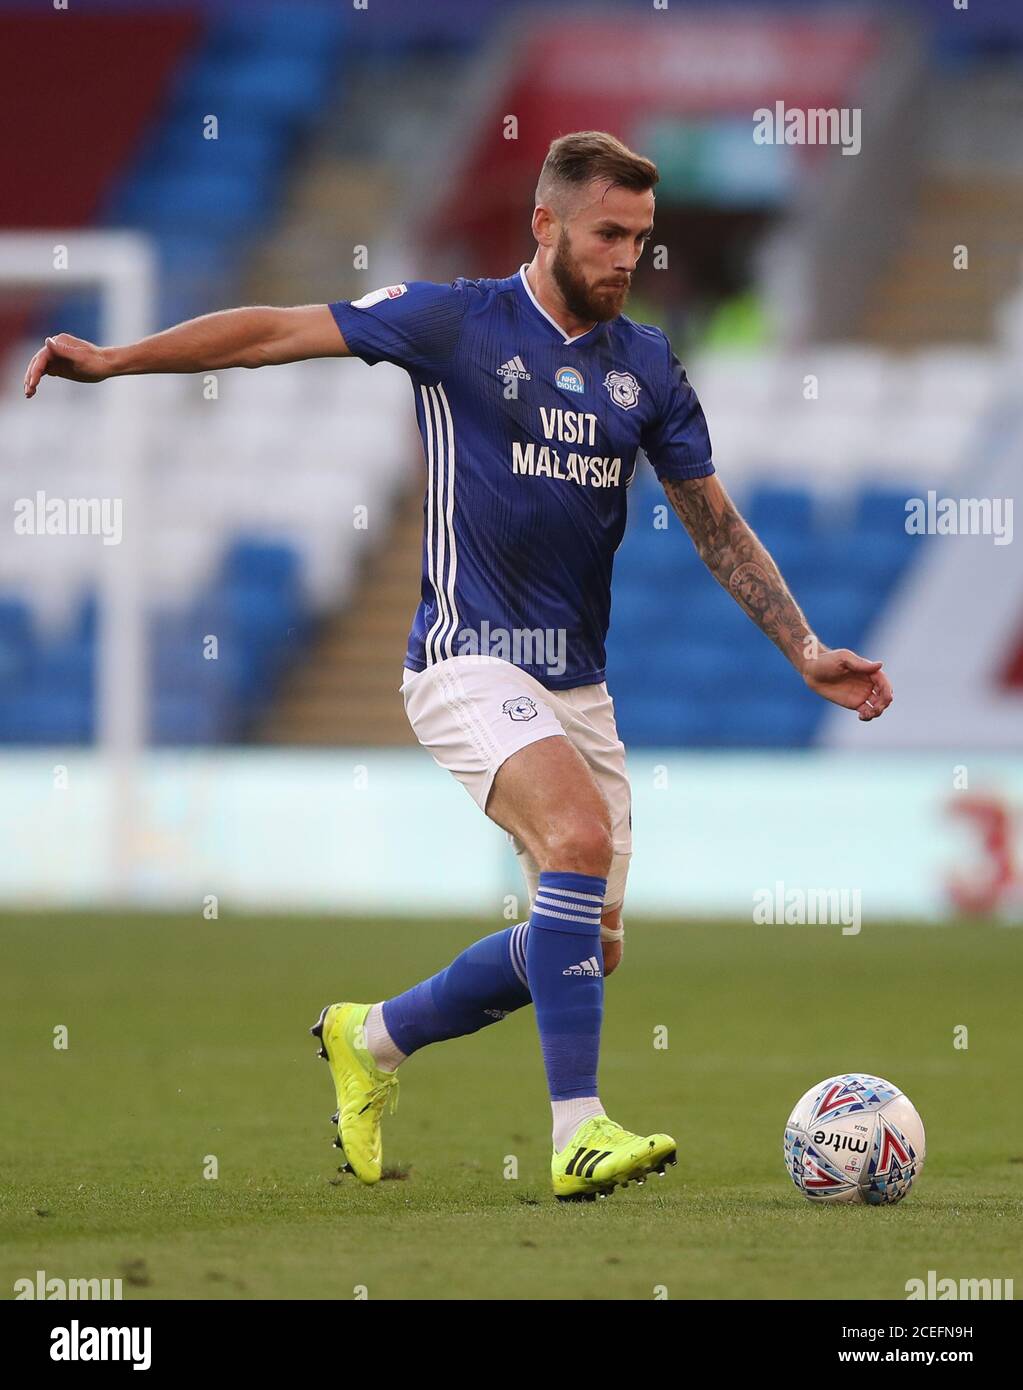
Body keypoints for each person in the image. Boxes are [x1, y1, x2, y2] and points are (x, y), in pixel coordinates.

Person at [24, 130, 893, 1202]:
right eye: (608, 233)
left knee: (583, 946)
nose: (628, 257)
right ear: (547, 223)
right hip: (465, 658)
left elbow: (714, 526)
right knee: (574, 838)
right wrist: (117, 361)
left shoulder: (649, 368)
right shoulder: (455, 322)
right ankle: (578, 1130)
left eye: (642, 239)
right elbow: (273, 333)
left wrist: (804, 646)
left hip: (576, 683)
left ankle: (371, 1038)